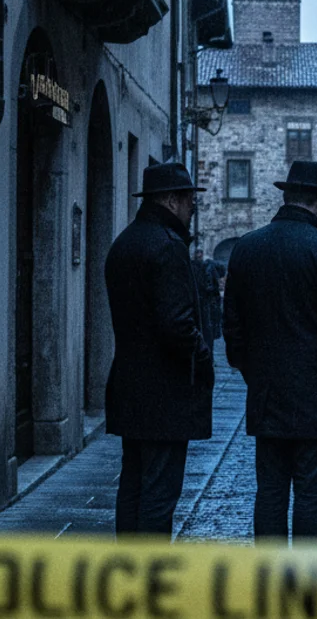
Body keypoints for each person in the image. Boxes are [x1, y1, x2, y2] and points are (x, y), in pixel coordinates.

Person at [223, 160, 317, 543]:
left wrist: (250, 369)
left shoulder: (247, 247)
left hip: (267, 390)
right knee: (312, 493)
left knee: (270, 491)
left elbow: (232, 324)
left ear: (286, 196)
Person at [104, 162, 213, 538]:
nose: (192, 208)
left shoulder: (125, 242)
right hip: (165, 393)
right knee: (159, 493)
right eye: (187, 200)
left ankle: (128, 570)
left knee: (132, 483)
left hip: (131, 386)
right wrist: (202, 355)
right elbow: (177, 325)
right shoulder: (167, 248)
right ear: (170, 200)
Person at [192, 250, 224, 344]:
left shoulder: (210, 265)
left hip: (208, 303)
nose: (199, 255)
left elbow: (221, 271)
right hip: (202, 303)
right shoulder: (194, 266)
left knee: (207, 334)